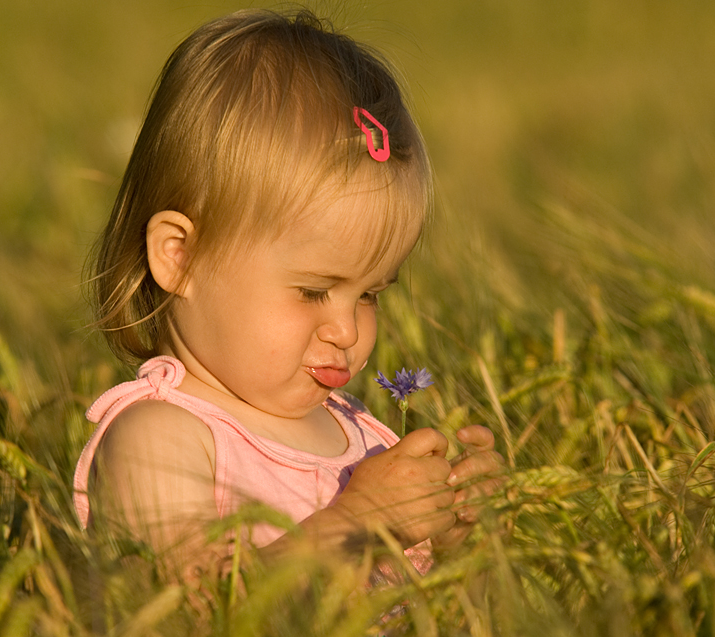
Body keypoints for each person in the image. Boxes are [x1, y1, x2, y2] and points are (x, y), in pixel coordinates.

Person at [73, 8, 503, 586]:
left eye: (370, 294)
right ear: (180, 257)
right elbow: (181, 613)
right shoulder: (160, 438)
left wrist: (454, 532)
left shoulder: (359, 435)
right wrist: (352, 527)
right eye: (313, 291)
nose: (347, 332)